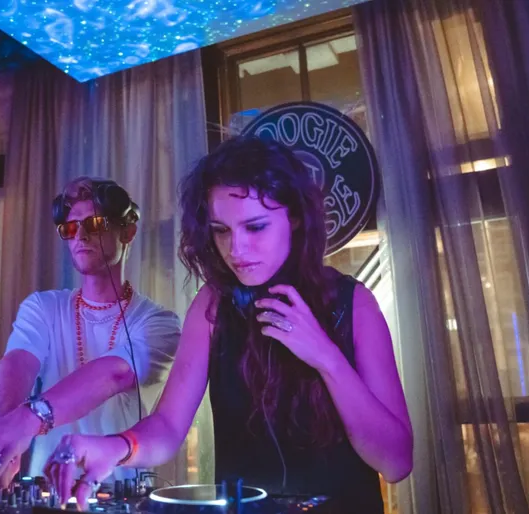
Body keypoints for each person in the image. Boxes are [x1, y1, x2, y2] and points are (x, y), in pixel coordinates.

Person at [44, 137, 413, 513]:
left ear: (296, 218)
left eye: (255, 227)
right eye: (221, 230)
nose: (236, 249)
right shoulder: (213, 304)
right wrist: (116, 447)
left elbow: (396, 462)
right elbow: (169, 425)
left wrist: (326, 358)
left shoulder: (355, 305)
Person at [0, 177, 181, 493]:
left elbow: (117, 373)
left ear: (128, 232)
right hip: (44, 492)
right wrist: (6, 438)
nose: (81, 235)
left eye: (95, 223)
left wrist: (27, 421)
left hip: (119, 493)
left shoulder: (159, 323)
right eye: (71, 228)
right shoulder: (43, 307)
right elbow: (18, 364)